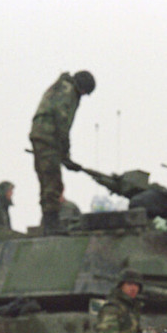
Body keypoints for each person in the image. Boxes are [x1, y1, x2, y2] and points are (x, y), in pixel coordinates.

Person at [29, 70, 95, 234]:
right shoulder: (68, 91)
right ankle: (51, 225)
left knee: (46, 180)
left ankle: (49, 222)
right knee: (53, 182)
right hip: (49, 137)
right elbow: (61, 121)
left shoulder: (60, 87)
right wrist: (65, 154)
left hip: (41, 135)